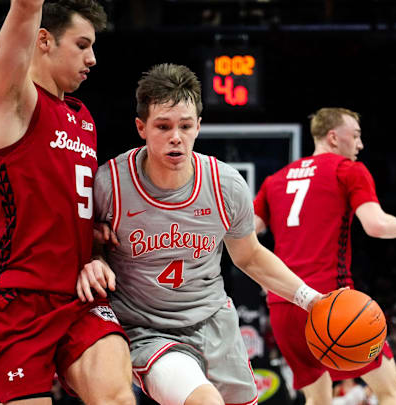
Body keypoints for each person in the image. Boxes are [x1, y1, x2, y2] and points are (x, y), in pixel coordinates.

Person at [77, 63, 324, 405]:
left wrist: (311, 299)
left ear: (198, 127)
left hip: (214, 323)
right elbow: (77, 243)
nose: (176, 136)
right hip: (147, 330)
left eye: (185, 126)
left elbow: (249, 256)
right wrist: (93, 255)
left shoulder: (226, 185)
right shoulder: (109, 186)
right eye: (163, 126)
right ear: (141, 128)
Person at [0, 1, 133, 404]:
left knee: (117, 396)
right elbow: (27, 8)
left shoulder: (83, 117)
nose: (92, 58)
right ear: (43, 40)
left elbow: (72, 208)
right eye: (82, 45)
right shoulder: (13, 102)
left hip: (79, 298)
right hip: (20, 303)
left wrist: (96, 246)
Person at [254, 107, 396, 405]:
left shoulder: (274, 180)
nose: (360, 144)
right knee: (392, 391)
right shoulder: (348, 170)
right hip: (331, 302)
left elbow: (244, 235)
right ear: (333, 137)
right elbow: (376, 226)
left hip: (283, 304)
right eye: (355, 136)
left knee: (318, 400)